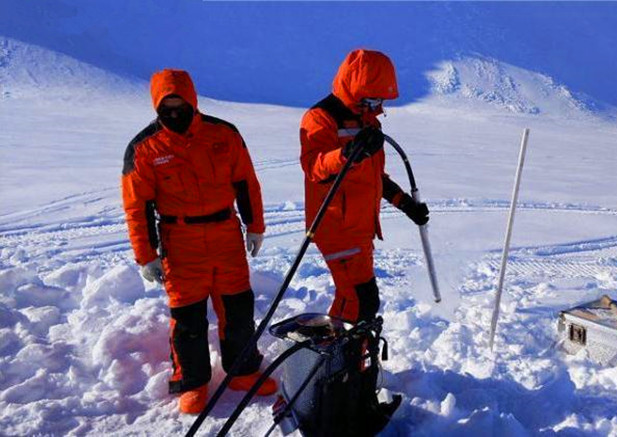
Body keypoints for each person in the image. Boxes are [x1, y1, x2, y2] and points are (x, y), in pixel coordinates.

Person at [121, 69, 276, 414]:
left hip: (225, 234)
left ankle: (242, 371)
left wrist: (256, 225)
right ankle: (192, 382)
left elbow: (246, 183)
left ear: (193, 103)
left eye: (181, 107)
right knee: (188, 317)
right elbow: (137, 206)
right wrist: (146, 255)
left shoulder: (224, 134)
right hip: (180, 239)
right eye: (167, 110)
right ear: (157, 108)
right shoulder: (144, 148)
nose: (174, 115)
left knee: (237, 308)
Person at [299, 49, 430, 324]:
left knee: (355, 299)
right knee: (360, 300)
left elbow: (374, 177)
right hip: (335, 225)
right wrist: (348, 155)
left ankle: (343, 359)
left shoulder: (368, 123)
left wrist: (404, 203)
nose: (376, 107)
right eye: (371, 99)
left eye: (380, 100)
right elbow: (314, 168)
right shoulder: (321, 118)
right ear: (355, 89)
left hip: (360, 228)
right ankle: (342, 362)